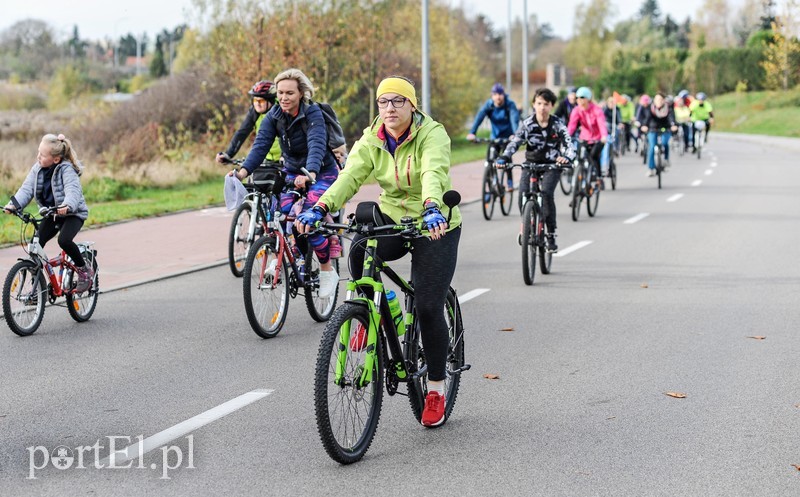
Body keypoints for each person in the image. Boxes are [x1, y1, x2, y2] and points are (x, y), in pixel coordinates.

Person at [295, 76, 461, 428]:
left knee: (429, 306)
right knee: (358, 246)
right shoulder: (372, 138)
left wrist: (432, 205)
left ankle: (435, 388)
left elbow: (434, 170)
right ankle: (370, 308)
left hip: (433, 222)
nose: (389, 108)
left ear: (411, 105)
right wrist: (321, 208)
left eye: (397, 101)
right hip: (393, 217)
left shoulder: (433, 134)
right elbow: (349, 176)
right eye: (383, 102)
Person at [229, 68, 340, 297]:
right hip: (291, 171)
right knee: (282, 215)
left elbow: (317, 143)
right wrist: (241, 173)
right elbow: (260, 146)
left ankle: (328, 270)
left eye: (289, 93)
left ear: (301, 93)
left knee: (308, 218)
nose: (284, 97)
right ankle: (289, 258)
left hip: (321, 172)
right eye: (280, 93)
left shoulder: (313, 113)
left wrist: (310, 172)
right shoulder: (274, 116)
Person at [4, 134, 93, 292]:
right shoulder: (37, 169)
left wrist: (67, 205)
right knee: (34, 245)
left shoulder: (66, 169)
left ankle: (84, 270)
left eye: (43, 155)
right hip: (52, 214)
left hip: (73, 214)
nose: (38, 157)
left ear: (56, 159)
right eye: (38, 152)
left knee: (64, 240)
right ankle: (36, 289)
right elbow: (26, 189)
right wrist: (14, 205)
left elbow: (73, 191)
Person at [496, 88, 575, 252]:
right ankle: (527, 225)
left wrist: (566, 158)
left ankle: (551, 233)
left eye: (546, 104)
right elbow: (515, 142)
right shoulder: (528, 124)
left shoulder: (558, 125)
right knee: (522, 194)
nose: (542, 107)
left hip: (552, 166)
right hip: (531, 165)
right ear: (534, 104)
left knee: (546, 193)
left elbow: (569, 146)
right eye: (539, 103)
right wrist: (504, 157)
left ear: (551, 106)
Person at [466, 83, 520, 189]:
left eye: (500, 94)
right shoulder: (489, 105)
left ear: (504, 95)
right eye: (495, 94)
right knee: (490, 160)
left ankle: (509, 180)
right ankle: (490, 187)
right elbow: (479, 117)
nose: (498, 96)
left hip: (507, 137)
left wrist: (515, 134)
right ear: (492, 95)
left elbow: (514, 119)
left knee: (506, 157)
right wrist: (472, 132)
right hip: (494, 137)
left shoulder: (510, 104)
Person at [216, 80, 282, 166]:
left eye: (261, 101)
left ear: (271, 101)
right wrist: (228, 154)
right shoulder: (254, 112)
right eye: (255, 100)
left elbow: (289, 137)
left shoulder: (281, 111)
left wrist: (285, 156)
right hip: (265, 159)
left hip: (284, 160)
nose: (257, 104)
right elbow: (242, 132)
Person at [566, 87, 608, 191]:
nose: (579, 100)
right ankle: (579, 178)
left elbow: (601, 124)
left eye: (582, 98)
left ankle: (598, 178)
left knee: (593, 156)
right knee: (579, 158)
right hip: (584, 137)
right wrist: (566, 137)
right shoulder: (576, 110)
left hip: (598, 138)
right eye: (577, 98)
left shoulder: (596, 110)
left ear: (588, 98)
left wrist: (603, 136)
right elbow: (571, 125)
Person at [640, 92, 678, 177]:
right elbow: (647, 118)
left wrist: (673, 125)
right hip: (653, 128)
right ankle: (651, 168)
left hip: (665, 128)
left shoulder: (668, 108)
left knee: (665, 143)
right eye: (657, 99)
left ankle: (666, 160)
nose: (658, 101)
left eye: (660, 99)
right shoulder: (651, 108)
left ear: (663, 100)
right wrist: (644, 126)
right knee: (652, 147)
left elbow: (671, 117)